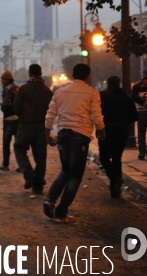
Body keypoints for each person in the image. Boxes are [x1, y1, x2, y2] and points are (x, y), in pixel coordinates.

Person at [44, 63, 105, 223]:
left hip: (63, 134)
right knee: (75, 175)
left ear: (72, 75)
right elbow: (96, 116)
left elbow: (50, 115)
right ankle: (61, 212)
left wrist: (47, 134)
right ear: (88, 76)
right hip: (80, 135)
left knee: (65, 170)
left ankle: (50, 199)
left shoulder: (60, 92)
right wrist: (101, 130)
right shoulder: (92, 93)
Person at [12, 64, 53, 194]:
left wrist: (23, 115)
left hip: (26, 125)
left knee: (19, 148)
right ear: (40, 73)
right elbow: (51, 111)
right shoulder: (47, 91)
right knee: (40, 157)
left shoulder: (24, 89)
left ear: (30, 74)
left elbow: (16, 109)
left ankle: (29, 174)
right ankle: (38, 186)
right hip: (42, 126)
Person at [99, 76, 138, 198]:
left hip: (106, 131)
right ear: (119, 84)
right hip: (122, 132)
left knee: (104, 157)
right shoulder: (126, 98)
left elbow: (97, 112)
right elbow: (134, 116)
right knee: (117, 158)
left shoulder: (102, 96)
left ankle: (115, 179)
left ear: (108, 84)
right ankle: (116, 189)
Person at [0, 70, 19, 171]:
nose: (1, 81)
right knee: (18, 144)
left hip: (9, 119)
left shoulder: (7, 89)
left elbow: (7, 104)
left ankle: (5, 164)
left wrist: (2, 106)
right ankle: (22, 165)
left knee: (6, 142)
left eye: (2, 79)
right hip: (18, 119)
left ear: (5, 80)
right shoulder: (17, 88)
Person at [131, 67, 147, 160]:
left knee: (141, 132)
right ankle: (146, 152)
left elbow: (133, 96)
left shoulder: (137, 85)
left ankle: (142, 151)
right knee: (142, 132)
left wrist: (142, 103)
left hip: (141, 111)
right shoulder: (138, 86)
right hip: (142, 111)